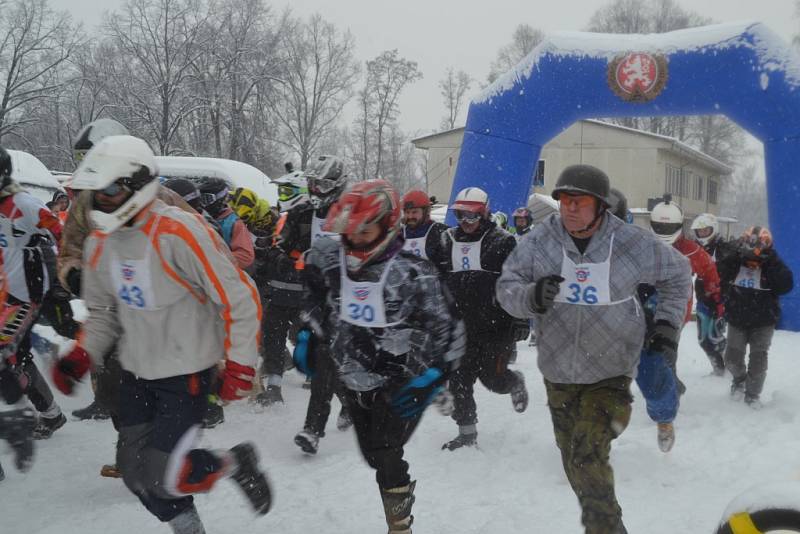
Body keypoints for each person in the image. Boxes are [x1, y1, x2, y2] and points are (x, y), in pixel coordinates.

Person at [51, 135, 271, 533]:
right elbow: (102, 312)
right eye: (94, 193)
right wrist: (83, 354)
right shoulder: (102, 242)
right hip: (136, 369)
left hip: (185, 371)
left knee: (165, 474)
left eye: (110, 190)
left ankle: (235, 462)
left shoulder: (178, 231)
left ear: (137, 184)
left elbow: (239, 297)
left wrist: (240, 363)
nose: (98, 201)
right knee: (137, 477)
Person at [496, 164, 690, 534]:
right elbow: (507, 288)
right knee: (573, 458)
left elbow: (678, 274)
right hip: (558, 371)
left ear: (600, 205)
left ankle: (606, 529)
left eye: (579, 201)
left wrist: (666, 327)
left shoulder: (631, 243)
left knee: (586, 456)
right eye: (564, 200)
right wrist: (530, 297)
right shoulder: (538, 242)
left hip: (611, 371)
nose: (569, 208)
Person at [296, 179, 463, 533]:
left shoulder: (414, 273)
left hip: (401, 380)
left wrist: (432, 378)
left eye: (364, 230)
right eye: (349, 230)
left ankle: (400, 524)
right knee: (372, 455)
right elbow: (314, 295)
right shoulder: (330, 260)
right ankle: (396, 492)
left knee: (387, 453)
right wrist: (310, 330)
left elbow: (449, 330)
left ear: (388, 225)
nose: (354, 239)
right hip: (352, 375)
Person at [58, 121, 196, 477]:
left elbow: (202, 244)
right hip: (109, 314)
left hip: (158, 314)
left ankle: (157, 456)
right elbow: (69, 249)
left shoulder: (161, 198)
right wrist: (75, 274)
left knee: (159, 387)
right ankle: (137, 451)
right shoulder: (83, 205)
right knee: (114, 388)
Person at [429, 187, 529, 451]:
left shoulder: (503, 241)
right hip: (460, 327)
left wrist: (521, 318)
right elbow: (435, 281)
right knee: (459, 380)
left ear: (484, 212)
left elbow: (518, 281)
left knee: (493, 380)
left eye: (472, 216)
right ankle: (467, 432)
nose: (465, 222)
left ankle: (514, 382)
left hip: (496, 326)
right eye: (460, 215)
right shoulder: (446, 240)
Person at [0, 146, 70, 440]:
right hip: (5, 294)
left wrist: (60, 277)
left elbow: (62, 234)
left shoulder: (23, 204)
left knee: (10, 355)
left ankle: (50, 414)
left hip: (25, 294)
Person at [286, 155, 355, 451]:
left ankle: (312, 429)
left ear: (338, 186)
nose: (316, 190)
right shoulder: (300, 213)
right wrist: (289, 258)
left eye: (323, 184)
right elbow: (285, 246)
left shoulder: (353, 214)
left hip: (344, 299)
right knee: (312, 359)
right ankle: (351, 402)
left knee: (326, 359)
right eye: (313, 183)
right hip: (310, 294)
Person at [609, 188, 682, 453]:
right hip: (600, 336)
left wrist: (658, 324)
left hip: (642, 332)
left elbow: (666, 285)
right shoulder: (574, 244)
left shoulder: (639, 247)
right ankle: (589, 441)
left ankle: (664, 421)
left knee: (657, 385)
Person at [650, 198, 723, 389]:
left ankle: (668, 385)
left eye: (669, 227)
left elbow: (710, 270)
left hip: (678, 307)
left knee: (666, 346)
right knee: (647, 348)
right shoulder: (645, 244)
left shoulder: (690, 250)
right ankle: (663, 382)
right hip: (646, 303)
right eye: (659, 227)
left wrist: (713, 295)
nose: (664, 232)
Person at [717, 226, 793, 407]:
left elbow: (785, 285)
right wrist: (736, 254)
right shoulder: (736, 260)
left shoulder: (773, 263)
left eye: (760, 245)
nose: (754, 250)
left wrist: (770, 261)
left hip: (764, 321)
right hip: (737, 318)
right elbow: (720, 272)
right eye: (751, 244)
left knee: (758, 361)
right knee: (732, 360)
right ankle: (740, 379)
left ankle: (752, 395)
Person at [690, 213, 731, 375]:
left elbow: (729, 274)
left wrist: (722, 297)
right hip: (702, 298)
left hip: (720, 299)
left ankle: (728, 367)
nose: (702, 234)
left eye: (705, 230)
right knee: (703, 339)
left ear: (714, 230)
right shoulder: (694, 248)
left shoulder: (724, 249)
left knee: (715, 336)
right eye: (699, 231)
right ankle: (718, 368)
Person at [197, 177, 255, 271]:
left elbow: (246, 255)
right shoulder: (196, 215)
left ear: (220, 199)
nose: (203, 204)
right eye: (200, 198)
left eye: (207, 199)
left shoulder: (233, 223)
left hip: (220, 274)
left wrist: (214, 259)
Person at [400, 189, 448, 260]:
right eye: (407, 212)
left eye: (414, 212)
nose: (410, 216)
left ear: (427, 211)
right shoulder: (398, 235)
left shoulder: (440, 233)